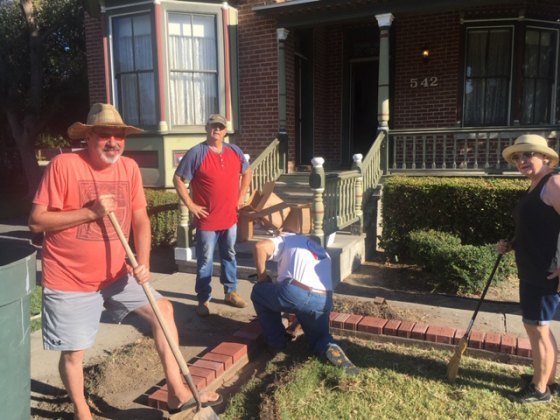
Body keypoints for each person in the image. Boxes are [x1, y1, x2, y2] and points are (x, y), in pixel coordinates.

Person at [28, 103, 221, 419]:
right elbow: (37, 221)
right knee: (75, 352)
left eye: (119, 136)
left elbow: (141, 219)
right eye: (105, 134)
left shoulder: (128, 168)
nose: (113, 142)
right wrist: (90, 212)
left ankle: (177, 392)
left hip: (117, 273)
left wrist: (142, 263)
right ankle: (82, 412)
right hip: (70, 278)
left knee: (164, 311)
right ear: (89, 137)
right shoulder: (64, 165)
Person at [498, 134, 560, 404]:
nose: (522, 161)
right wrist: (511, 244)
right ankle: (546, 379)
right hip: (532, 268)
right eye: (517, 157)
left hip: (545, 272)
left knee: (537, 328)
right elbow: (538, 228)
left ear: (544, 156)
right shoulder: (535, 185)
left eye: (528, 155)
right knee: (539, 327)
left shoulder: (554, 182)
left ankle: (539, 390)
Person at [173, 114, 252, 317]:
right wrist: (190, 205)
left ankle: (230, 292)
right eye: (213, 126)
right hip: (207, 220)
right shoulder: (196, 153)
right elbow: (178, 179)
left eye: (220, 127)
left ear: (225, 131)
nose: (216, 130)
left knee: (229, 255)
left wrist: (241, 196)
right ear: (206, 128)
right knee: (205, 260)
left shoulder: (234, 151)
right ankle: (203, 299)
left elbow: (248, 171)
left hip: (229, 218)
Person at [251, 232, 359, 375]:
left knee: (259, 292)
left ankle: (277, 343)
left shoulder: (287, 239)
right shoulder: (319, 250)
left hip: (297, 292)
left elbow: (259, 247)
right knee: (320, 337)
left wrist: (262, 278)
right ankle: (328, 346)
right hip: (323, 299)